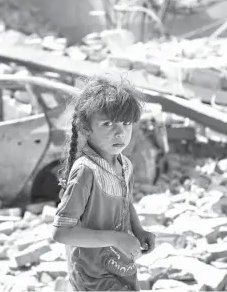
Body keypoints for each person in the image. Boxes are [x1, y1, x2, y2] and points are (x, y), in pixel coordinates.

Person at [52, 75, 156, 291]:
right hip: (92, 274)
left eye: (126, 123)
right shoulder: (86, 171)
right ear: (86, 128)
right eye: (107, 123)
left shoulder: (124, 164)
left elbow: (124, 202)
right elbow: (61, 232)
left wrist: (138, 230)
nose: (119, 132)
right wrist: (116, 239)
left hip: (120, 264)